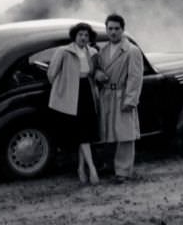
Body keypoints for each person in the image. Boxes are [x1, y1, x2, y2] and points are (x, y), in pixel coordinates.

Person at [47, 22, 101, 184]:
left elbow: (93, 73)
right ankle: (92, 169)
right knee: (82, 134)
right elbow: (51, 74)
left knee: (84, 134)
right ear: (74, 36)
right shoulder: (63, 52)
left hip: (87, 92)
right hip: (71, 95)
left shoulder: (92, 52)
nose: (83, 38)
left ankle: (80, 168)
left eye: (86, 35)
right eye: (80, 35)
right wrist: (62, 90)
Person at [95, 13, 143, 182]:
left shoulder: (131, 50)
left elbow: (135, 77)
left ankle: (123, 171)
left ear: (123, 30)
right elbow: (97, 69)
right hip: (107, 94)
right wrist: (98, 74)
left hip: (122, 94)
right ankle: (109, 166)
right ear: (106, 30)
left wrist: (131, 100)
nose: (113, 32)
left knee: (125, 135)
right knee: (108, 132)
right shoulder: (103, 51)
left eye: (116, 29)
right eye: (110, 29)